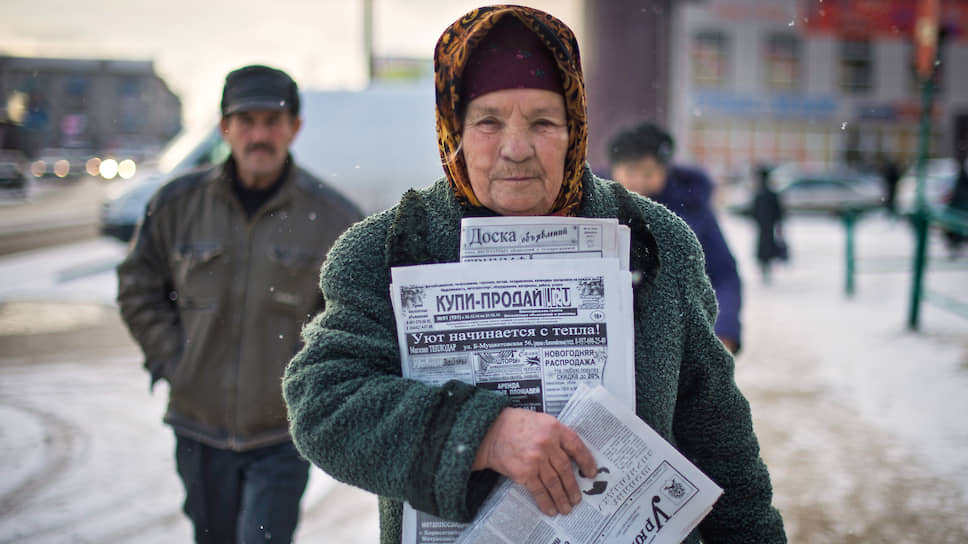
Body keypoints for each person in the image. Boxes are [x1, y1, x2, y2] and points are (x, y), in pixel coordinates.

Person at [283, 6, 786, 544]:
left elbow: (716, 435)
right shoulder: (387, 250)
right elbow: (323, 401)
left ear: (576, 128)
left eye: (543, 122)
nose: (516, 149)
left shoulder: (654, 240)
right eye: (489, 121)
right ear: (454, 128)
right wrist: (482, 435)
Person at [117, 64, 363, 543]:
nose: (259, 135)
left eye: (273, 121)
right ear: (224, 127)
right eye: (245, 121)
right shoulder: (177, 204)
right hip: (198, 427)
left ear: (295, 127)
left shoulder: (332, 218)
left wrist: (310, 383)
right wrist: (175, 360)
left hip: (281, 434)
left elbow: (349, 321)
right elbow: (138, 285)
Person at [608, 122, 743, 353]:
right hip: (609, 338)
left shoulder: (693, 210)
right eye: (630, 172)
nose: (639, 182)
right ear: (614, 170)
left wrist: (725, 330)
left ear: (664, 171)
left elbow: (724, 274)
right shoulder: (595, 206)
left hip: (678, 340)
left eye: (648, 173)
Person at [751, 165, 787, 283]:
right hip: (767, 226)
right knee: (766, 248)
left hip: (764, 226)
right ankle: (766, 270)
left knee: (765, 248)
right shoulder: (769, 193)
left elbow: (754, 211)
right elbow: (778, 211)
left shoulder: (761, 193)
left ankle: (766, 270)